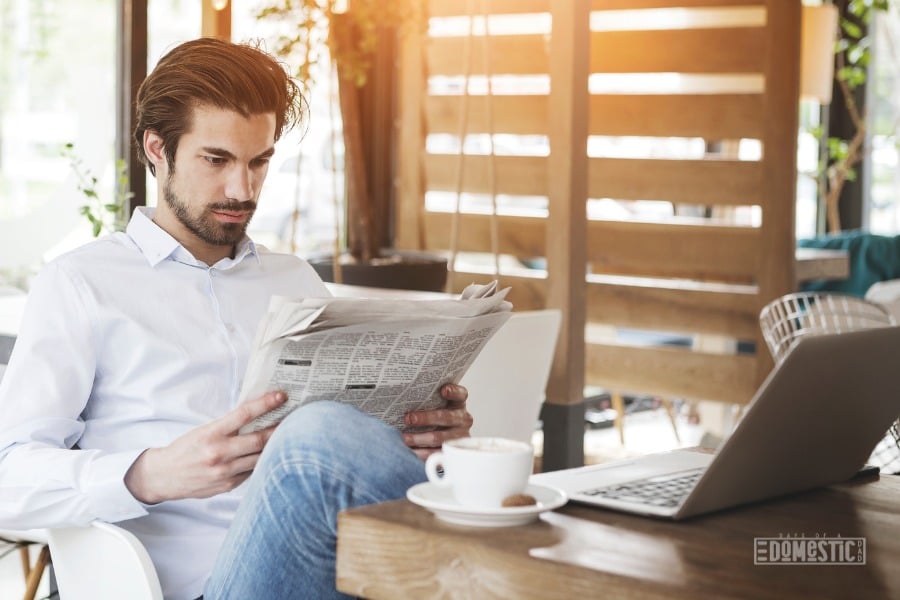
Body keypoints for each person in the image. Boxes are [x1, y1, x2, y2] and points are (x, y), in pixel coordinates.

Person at [0, 38, 472, 600]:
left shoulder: (293, 279)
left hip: (322, 570)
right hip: (181, 587)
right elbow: (9, 477)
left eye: (259, 161)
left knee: (337, 438)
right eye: (216, 160)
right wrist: (149, 474)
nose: (242, 190)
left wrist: (422, 439)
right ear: (158, 149)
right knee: (315, 436)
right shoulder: (82, 283)